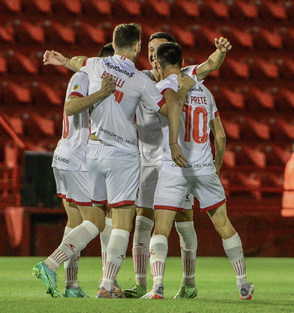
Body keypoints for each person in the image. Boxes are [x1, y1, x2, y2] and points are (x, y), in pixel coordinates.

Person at [35, 23, 185, 299]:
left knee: (94, 221)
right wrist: (174, 99)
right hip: (123, 155)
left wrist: (64, 60)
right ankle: (104, 284)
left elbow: (79, 61)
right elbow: (167, 108)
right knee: (122, 223)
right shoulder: (140, 80)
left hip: (92, 154)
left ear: (114, 45)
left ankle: (56, 267)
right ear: (138, 47)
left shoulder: (94, 65)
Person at [141, 42, 254, 300]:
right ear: (182, 62)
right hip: (204, 169)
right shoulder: (205, 90)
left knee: (161, 229)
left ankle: (157, 286)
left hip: (174, 167)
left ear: (158, 63)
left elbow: (169, 112)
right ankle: (243, 284)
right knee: (224, 224)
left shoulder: (161, 89)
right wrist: (217, 165)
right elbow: (221, 135)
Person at [124, 32, 232, 299]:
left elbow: (210, 64)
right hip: (148, 163)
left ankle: (189, 283)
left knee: (185, 222)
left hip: (178, 163)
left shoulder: (185, 75)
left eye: (157, 49)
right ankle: (141, 283)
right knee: (142, 222)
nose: (152, 54)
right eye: (149, 49)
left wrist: (221, 51)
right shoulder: (141, 78)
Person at [33, 44, 116, 298]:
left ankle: (72, 286)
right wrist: (102, 93)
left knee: (75, 223)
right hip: (77, 160)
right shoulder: (82, 78)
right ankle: (49, 264)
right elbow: (71, 107)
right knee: (98, 221)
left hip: (67, 157)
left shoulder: (91, 79)